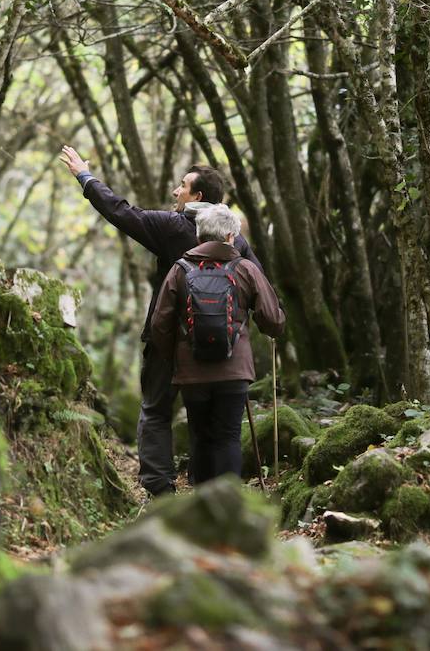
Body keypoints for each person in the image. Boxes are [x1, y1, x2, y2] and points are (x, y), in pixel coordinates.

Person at [58, 145, 263, 496]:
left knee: (156, 408)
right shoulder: (236, 240)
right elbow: (257, 282)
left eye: (182, 186)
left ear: (197, 195)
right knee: (211, 424)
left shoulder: (172, 226)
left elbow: (121, 212)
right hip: (222, 344)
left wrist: (86, 177)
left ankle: (159, 488)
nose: (175, 191)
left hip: (166, 337)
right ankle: (209, 494)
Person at [149, 204, 285, 484]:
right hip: (234, 372)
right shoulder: (245, 268)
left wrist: (175, 358)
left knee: (200, 437)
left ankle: (202, 511)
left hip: (191, 372)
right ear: (230, 237)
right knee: (227, 436)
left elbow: (159, 324)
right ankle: (228, 511)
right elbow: (272, 320)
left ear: (199, 236)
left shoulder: (180, 270)